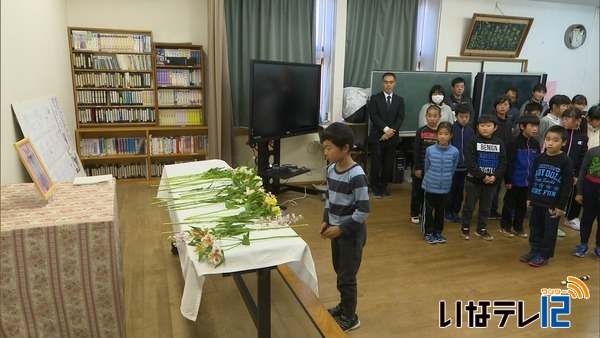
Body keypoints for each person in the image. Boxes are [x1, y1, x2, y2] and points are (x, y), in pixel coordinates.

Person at [319, 122, 369, 332]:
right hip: (336, 230)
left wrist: (340, 229)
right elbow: (330, 199)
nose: (325, 152)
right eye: (324, 147)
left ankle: (351, 316)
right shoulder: (331, 169)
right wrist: (326, 220)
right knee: (340, 271)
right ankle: (344, 305)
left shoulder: (356, 175)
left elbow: (363, 210)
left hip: (351, 234)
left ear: (345, 148)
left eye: (329, 148)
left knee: (347, 276)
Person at [520, 125, 573, 267]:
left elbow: (567, 186)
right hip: (537, 200)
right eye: (548, 139)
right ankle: (534, 250)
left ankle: (544, 255)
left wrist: (561, 206)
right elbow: (532, 179)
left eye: (555, 140)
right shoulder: (539, 158)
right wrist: (529, 197)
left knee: (549, 231)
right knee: (535, 227)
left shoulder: (565, 161)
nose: (550, 143)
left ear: (563, 143)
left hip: (552, 205)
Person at [460, 114, 506, 241]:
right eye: (482, 125)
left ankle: (481, 229)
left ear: (495, 127)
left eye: (488, 125)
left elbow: (503, 163)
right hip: (474, 181)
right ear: (477, 127)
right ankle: (465, 229)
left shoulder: (499, 143)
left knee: (486, 208)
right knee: (469, 206)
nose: (485, 128)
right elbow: (470, 162)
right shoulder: (474, 141)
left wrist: (494, 177)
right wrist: (482, 176)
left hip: (492, 182)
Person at [499, 114, 541, 238]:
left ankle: (518, 227)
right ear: (522, 127)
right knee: (509, 204)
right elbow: (509, 162)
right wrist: (508, 179)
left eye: (536, 126)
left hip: (527, 182)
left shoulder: (535, 143)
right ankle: (505, 226)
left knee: (523, 206)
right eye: (532, 126)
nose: (535, 129)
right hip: (514, 180)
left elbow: (537, 161)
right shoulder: (514, 142)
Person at [367, 72, 405, 198]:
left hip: (392, 138)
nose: (388, 84)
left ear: (395, 84)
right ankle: (375, 187)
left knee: (388, 165)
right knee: (376, 164)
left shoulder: (399, 100)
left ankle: (384, 187)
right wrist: (386, 129)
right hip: (377, 137)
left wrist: (390, 132)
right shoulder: (375, 98)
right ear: (382, 83)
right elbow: (373, 116)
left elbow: (400, 118)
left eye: (391, 82)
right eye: (386, 82)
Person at [421, 122, 459, 244]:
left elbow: (453, 169)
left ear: (451, 135)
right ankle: (428, 232)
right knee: (428, 211)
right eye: (440, 134)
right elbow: (427, 167)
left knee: (440, 211)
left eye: (446, 134)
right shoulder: (430, 150)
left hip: (445, 187)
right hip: (430, 185)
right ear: (436, 135)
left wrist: (446, 179)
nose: (443, 136)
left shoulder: (455, 152)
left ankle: (438, 232)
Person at [411, 105, 441, 224]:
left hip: (433, 170)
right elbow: (416, 151)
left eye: (435, 116)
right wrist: (417, 167)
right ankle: (414, 213)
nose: (432, 119)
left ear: (440, 117)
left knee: (428, 194)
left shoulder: (441, 132)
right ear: (426, 116)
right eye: (429, 116)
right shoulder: (421, 131)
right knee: (417, 192)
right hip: (421, 168)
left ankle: (423, 212)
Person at [445, 104, 475, 223]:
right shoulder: (451, 129)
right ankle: (447, 211)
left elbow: (472, 149)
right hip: (452, 167)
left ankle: (455, 212)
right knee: (450, 191)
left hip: (465, 168)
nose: (464, 119)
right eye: (461, 116)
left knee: (460, 192)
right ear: (456, 116)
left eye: (466, 117)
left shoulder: (471, 131)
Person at [561, 107, 588, 231]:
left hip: (572, 173)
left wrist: (577, 174)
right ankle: (551, 219)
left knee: (573, 194)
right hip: (557, 170)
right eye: (563, 118)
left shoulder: (582, 137)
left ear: (577, 121)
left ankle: (570, 218)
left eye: (567, 119)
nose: (564, 121)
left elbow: (582, 158)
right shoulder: (560, 133)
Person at [572, 145, 600, 260]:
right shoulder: (592, 152)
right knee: (587, 218)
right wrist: (579, 191)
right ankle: (583, 244)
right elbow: (583, 172)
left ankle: (598, 247)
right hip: (590, 189)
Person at [489, 96, 513, 219]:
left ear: (509, 107)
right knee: (492, 185)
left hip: (504, 156)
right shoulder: (492, 121)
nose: (502, 107)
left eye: (505, 104)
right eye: (499, 104)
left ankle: (493, 209)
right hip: (493, 156)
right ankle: (489, 209)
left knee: (498, 186)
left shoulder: (509, 121)